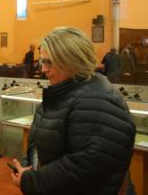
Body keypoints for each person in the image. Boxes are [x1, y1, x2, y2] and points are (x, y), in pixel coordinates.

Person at [10, 27, 136, 195]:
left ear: (72, 61)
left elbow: (85, 167)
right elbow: (44, 143)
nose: (43, 70)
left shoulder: (96, 100)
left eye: (49, 62)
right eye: (42, 62)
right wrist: (28, 164)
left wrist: (31, 179)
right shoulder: (63, 92)